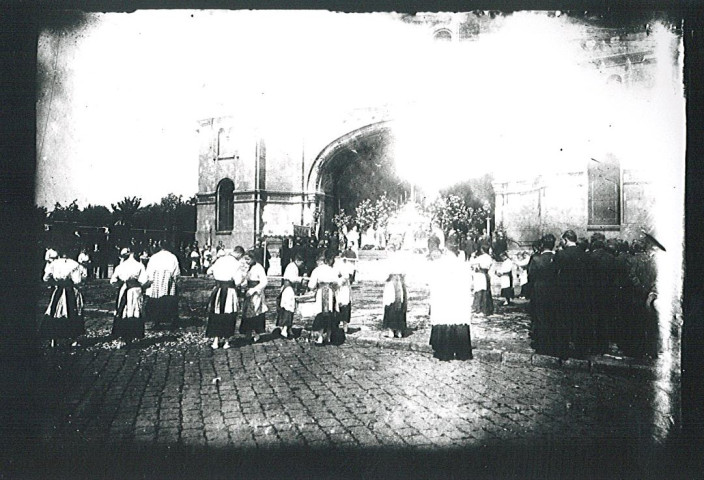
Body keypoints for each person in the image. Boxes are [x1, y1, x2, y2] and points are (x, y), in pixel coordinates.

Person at [428, 249, 473, 361]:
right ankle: (461, 352)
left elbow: (433, 283)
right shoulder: (463, 266)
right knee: (457, 321)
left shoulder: (439, 266)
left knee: (446, 320)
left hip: (445, 298)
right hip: (457, 299)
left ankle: (444, 351)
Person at [41, 249, 87, 348]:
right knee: (72, 312)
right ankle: (73, 339)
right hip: (70, 290)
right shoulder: (74, 264)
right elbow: (77, 281)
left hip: (58, 290)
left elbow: (45, 278)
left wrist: (54, 282)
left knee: (55, 311)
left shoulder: (54, 264)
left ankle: (53, 339)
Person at [553, 230, 589, 357]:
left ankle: (563, 350)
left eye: (562, 240)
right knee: (579, 321)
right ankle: (580, 350)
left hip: (564, 293)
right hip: (581, 294)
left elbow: (554, 273)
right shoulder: (584, 255)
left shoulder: (561, 255)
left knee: (564, 321)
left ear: (566, 240)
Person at [205, 250, 247, 349]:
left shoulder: (220, 260)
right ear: (240, 255)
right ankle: (226, 341)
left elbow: (209, 271)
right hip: (229, 291)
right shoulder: (236, 264)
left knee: (216, 313)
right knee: (229, 314)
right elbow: (237, 281)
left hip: (218, 289)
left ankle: (215, 341)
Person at [527, 234, 558, 356]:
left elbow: (531, 276)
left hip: (539, 289)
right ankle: (551, 344)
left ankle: (541, 344)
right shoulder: (557, 257)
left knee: (539, 316)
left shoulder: (536, 259)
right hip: (554, 290)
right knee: (552, 316)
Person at [110, 248, 149, 343]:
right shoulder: (139, 266)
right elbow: (144, 281)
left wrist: (120, 286)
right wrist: (144, 287)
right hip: (135, 291)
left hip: (124, 289)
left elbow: (113, 281)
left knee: (124, 309)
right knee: (135, 309)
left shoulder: (121, 266)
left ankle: (123, 334)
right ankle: (135, 334)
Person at [307, 249, 340, 345]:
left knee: (321, 315)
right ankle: (328, 336)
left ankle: (320, 336)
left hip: (321, 292)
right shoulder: (332, 270)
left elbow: (311, 285)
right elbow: (337, 283)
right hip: (330, 293)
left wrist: (314, 288)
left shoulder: (317, 270)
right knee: (330, 314)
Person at [145, 241, 181, 329]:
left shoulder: (154, 257)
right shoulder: (173, 257)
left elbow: (149, 270)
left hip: (156, 281)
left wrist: (149, 281)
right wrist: (176, 280)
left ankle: (156, 321)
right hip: (168, 280)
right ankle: (172, 321)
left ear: (160, 246)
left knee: (156, 301)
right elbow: (176, 272)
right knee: (170, 300)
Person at [240, 250, 268, 343]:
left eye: (248, 259)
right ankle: (248, 332)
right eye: (245, 259)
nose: (247, 261)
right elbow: (246, 279)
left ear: (253, 258)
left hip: (256, 293)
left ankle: (257, 333)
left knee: (256, 313)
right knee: (247, 313)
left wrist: (254, 290)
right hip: (248, 292)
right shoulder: (248, 267)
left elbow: (264, 282)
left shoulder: (259, 267)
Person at [278, 252, 306, 338]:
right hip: (288, 289)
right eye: (301, 262)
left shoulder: (293, 266)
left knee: (290, 308)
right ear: (297, 260)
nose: (302, 265)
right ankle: (284, 329)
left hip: (290, 289)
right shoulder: (292, 267)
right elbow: (292, 278)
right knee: (288, 308)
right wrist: (301, 279)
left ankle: (288, 328)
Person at [382, 265, 407, 339]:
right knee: (396, 313)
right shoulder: (395, 282)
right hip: (395, 300)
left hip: (394, 301)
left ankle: (395, 331)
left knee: (395, 313)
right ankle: (395, 331)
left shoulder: (396, 282)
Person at [334, 251, 356, 334]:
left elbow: (349, 276)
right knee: (337, 306)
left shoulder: (348, 266)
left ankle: (345, 326)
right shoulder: (336, 265)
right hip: (338, 288)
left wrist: (345, 278)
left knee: (346, 306)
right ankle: (336, 325)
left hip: (345, 288)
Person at [470, 244, 494, 316]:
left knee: (479, 291)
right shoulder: (489, 258)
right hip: (486, 274)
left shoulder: (481, 257)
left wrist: (472, 256)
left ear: (482, 250)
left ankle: (480, 308)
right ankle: (487, 309)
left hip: (481, 274)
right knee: (486, 292)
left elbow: (472, 262)